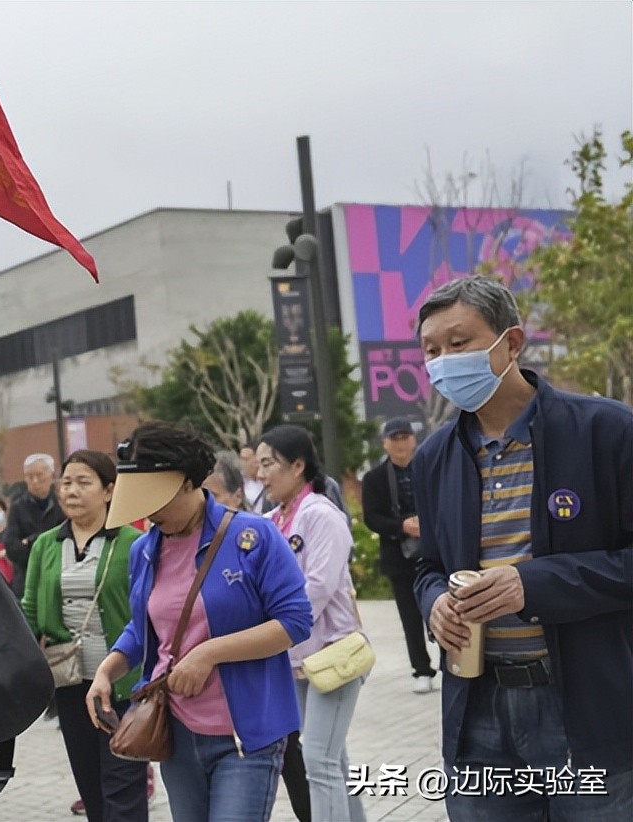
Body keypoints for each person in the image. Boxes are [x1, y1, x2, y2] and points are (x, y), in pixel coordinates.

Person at [412, 276, 633, 820]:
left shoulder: (606, 432)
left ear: (511, 342)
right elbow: (428, 566)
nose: (444, 362)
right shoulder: (434, 458)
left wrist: (530, 584)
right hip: (478, 709)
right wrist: (434, 601)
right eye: (431, 351)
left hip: (585, 706)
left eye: (458, 343)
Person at [89, 422, 312, 822]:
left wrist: (209, 653)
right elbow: (144, 628)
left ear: (188, 481)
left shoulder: (254, 536)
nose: (150, 513)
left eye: (156, 500)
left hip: (246, 734)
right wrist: (107, 671)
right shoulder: (144, 550)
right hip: (175, 734)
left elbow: (295, 621)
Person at [22, 450, 146, 822]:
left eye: (83, 482)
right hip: (71, 685)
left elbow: (146, 612)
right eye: (66, 483)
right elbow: (30, 609)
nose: (71, 491)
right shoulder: (46, 544)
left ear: (109, 491)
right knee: (91, 788)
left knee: (123, 789)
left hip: (122, 687)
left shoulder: (133, 543)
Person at [257, 425, 366, 822]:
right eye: (259, 465)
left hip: (333, 652)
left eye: (269, 464)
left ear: (298, 465)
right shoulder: (269, 521)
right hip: (294, 658)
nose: (261, 474)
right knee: (330, 757)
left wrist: (277, 629)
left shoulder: (321, 515)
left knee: (318, 759)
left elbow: (318, 586)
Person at [207, 449, 312, 822]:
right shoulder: (178, 546)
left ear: (237, 495)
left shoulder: (254, 537)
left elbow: (297, 612)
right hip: (210, 710)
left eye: (213, 496)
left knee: (300, 760)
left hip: (268, 683)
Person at [361, 417, 438, 694]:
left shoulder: (432, 468)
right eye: (394, 438)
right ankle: (422, 669)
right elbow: (371, 517)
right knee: (410, 616)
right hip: (399, 556)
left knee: (443, 608)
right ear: (385, 444)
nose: (401, 443)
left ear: (414, 439)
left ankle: (453, 663)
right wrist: (402, 526)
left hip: (436, 551)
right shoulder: (374, 478)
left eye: (405, 437)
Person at [5, 453, 66, 599]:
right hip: (26, 580)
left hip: (59, 578)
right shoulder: (17, 507)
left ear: (51, 475)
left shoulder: (62, 505)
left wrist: (31, 541)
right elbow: (12, 547)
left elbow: (65, 539)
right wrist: (39, 554)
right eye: (29, 476)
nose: (35, 481)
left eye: (39, 475)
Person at [239, 445, 266, 511]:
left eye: (245, 459)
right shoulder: (239, 483)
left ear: (257, 460)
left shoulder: (267, 481)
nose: (242, 463)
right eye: (241, 459)